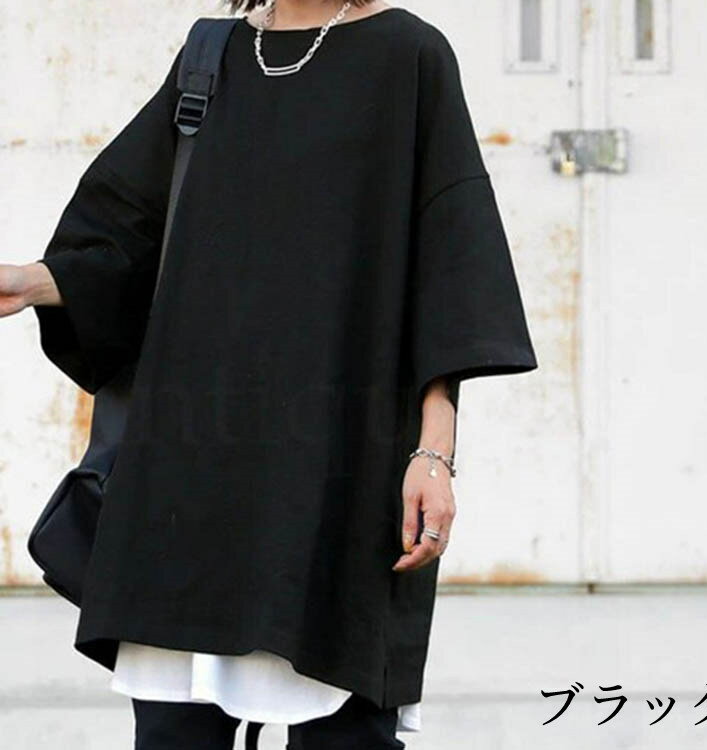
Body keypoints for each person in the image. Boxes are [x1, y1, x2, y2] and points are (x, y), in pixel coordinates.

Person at [0, 0, 538, 747]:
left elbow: (446, 272)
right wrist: (35, 282)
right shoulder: (210, 57)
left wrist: (433, 453)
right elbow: (125, 233)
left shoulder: (407, 55)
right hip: (189, 472)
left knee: (345, 732)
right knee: (174, 732)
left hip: (337, 472)